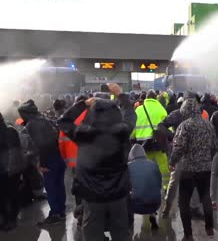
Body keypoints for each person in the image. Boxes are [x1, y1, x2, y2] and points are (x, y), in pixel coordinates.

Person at [58, 84, 136, 241]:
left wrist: (83, 104)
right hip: (118, 193)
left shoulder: (84, 134)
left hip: (92, 194)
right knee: (121, 231)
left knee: (92, 232)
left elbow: (64, 121)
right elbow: (130, 115)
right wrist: (120, 94)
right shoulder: (122, 131)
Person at [169, 98, 218, 241]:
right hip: (205, 168)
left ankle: (188, 235)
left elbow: (178, 147)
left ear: (185, 110)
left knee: (183, 202)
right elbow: (215, 145)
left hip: (187, 169)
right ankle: (209, 227)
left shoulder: (184, 126)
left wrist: (172, 161)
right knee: (205, 197)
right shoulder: (208, 125)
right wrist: (208, 159)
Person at [18, 99, 66, 227]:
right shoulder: (44, 119)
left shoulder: (33, 124)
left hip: (50, 159)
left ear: (26, 114)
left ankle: (55, 214)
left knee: (51, 188)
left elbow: (44, 145)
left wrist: (43, 164)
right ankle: (60, 211)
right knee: (58, 185)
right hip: (59, 156)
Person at [58, 95, 88, 226]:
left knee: (78, 188)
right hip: (92, 161)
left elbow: (61, 142)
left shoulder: (68, 121)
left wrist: (65, 158)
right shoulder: (92, 118)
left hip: (75, 163)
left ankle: (80, 212)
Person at [131, 90, 170, 191]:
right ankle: (166, 187)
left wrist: (132, 137)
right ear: (155, 98)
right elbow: (167, 127)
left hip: (143, 144)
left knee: (145, 166)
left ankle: (146, 187)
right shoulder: (161, 109)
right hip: (158, 142)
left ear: (146, 99)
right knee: (163, 166)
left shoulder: (138, 110)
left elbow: (133, 128)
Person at [127, 144, 162, 230]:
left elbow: (125, 186)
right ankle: (153, 216)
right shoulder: (153, 165)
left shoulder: (128, 167)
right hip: (155, 204)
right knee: (151, 190)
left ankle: (129, 222)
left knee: (126, 197)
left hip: (136, 206)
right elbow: (159, 183)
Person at [0, 112, 24, 231]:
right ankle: (6, 219)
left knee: (11, 195)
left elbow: (14, 151)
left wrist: (11, 168)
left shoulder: (9, 131)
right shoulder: (8, 130)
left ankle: (12, 219)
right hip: (4, 169)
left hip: (10, 169)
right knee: (4, 195)